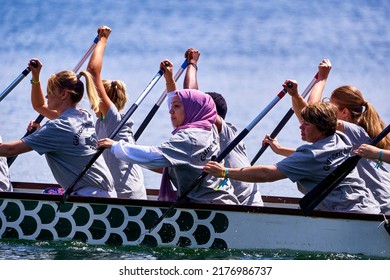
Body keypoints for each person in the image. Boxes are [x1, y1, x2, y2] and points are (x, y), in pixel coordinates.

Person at [98, 59, 239, 205]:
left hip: (211, 209)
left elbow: (154, 156)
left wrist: (115, 146)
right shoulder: (209, 129)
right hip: (224, 201)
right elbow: (183, 102)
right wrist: (169, 80)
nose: (171, 111)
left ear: (192, 110)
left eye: (176, 107)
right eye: (172, 106)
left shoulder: (190, 138)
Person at [204, 102, 380, 214]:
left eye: (307, 124)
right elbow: (318, 159)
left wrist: (225, 172)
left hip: (349, 214)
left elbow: (267, 174)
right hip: (370, 208)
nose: (301, 127)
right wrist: (280, 150)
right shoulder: (340, 139)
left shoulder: (310, 155)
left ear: (322, 128)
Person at [0, 59, 116, 197]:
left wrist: (44, 133)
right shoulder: (83, 116)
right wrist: (35, 78)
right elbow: (40, 106)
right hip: (107, 195)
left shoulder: (59, 127)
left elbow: (8, 150)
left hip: (91, 199)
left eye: (50, 91)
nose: (46, 95)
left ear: (64, 94)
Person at [289, 60, 390, 214]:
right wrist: (295, 96)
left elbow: (311, 110)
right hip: (373, 204)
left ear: (345, 113)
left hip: (380, 206)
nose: (326, 108)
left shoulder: (353, 131)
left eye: (331, 106)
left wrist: (322, 79)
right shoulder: (350, 132)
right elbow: (307, 118)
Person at [183, 48, 263, 206]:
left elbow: (191, 97)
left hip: (247, 207)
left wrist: (192, 64)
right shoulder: (201, 140)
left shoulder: (226, 132)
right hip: (229, 205)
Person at [86, 26, 146, 199]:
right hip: (119, 193)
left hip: (126, 196)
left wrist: (103, 39)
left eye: (93, 96)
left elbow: (92, 72)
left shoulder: (114, 119)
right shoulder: (101, 121)